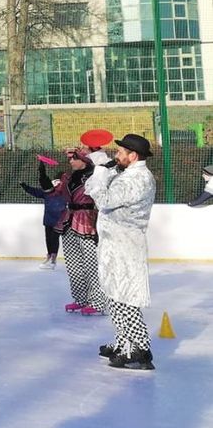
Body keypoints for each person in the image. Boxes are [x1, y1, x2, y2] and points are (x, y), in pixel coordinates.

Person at [84, 133, 157, 370]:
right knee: (114, 295)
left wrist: (100, 173)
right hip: (114, 243)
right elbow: (90, 189)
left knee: (126, 298)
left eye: (120, 152)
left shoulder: (137, 179)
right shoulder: (125, 173)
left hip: (125, 245)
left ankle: (141, 348)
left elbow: (104, 200)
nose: (116, 156)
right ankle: (123, 342)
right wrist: (103, 170)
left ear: (132, 155)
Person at [49, 149, 104, 315]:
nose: (71, 161)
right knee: (73, 264)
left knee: (91, 263)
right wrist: (44, 177)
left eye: (74, 158)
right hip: (68, 221)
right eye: (70, 159)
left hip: (87, 220)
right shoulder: (68, 177)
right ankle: (80, 299)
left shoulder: (95, 176)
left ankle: (97, 302)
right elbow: (54, 191)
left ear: (84, 159)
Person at [20, 161, 68, 271]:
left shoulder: (63, 190)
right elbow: (37, 191)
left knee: (54, 238)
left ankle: (53, 259)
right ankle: (50, 256)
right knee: (49, 239)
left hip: (59, 220)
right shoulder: (49, 192)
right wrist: (25, 187)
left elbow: (43, 185)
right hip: (49, 219)